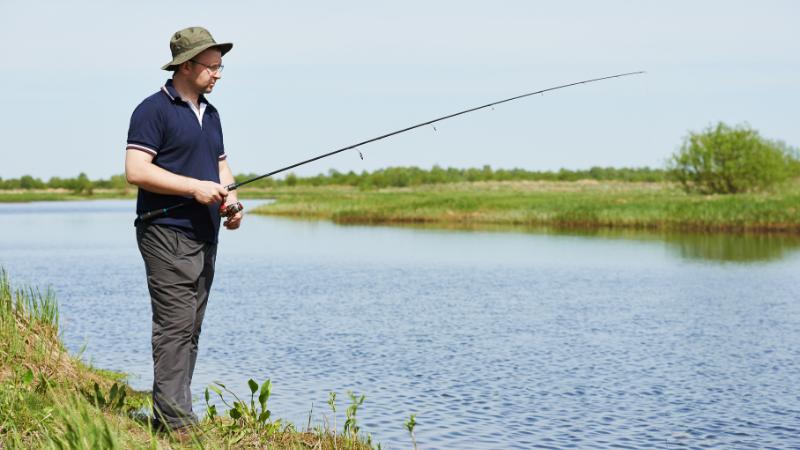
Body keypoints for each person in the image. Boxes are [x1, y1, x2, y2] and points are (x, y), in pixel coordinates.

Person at [124, 26, 243, 430]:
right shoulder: (152, 110)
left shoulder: (211, 114)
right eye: (212, 66)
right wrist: (194, 188)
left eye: (220, 66)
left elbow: (221, 168)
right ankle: (176, 425)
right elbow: (136, 170)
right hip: (165, 231)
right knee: (174, 328)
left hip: (205, 234)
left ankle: (173, 414)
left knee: (190, 328)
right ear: (186, 65)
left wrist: (232, 202)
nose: (218, 73)